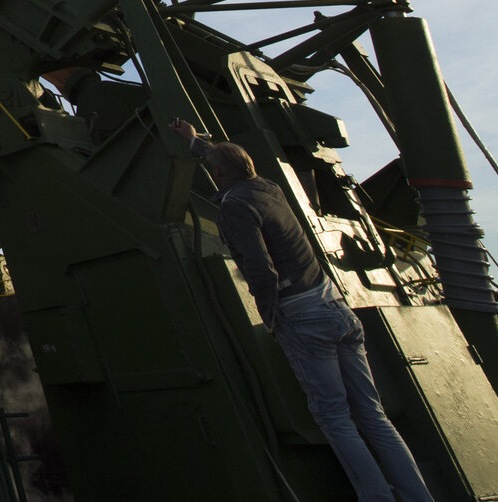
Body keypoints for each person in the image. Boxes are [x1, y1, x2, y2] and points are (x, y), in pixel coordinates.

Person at [169, 120, 432, 502]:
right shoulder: (268, 188)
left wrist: (271, 316)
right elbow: (224, 160)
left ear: (220, 174)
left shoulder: (234, 205)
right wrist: (196, 142)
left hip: (303, 319)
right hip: (337, 309)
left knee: (335, 419)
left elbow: (260, 268)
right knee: (374, 417)